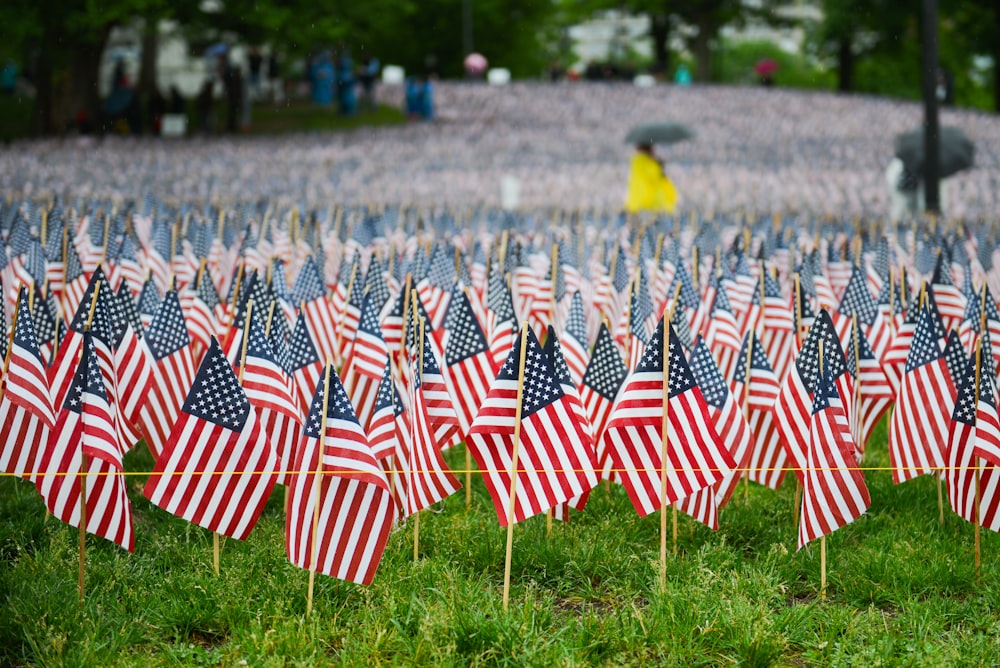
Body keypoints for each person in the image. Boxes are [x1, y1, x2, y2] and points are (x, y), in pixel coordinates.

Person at [625, 143, 678, 213]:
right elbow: (657, 183)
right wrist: (659, 166)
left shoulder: (636, 162)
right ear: (649, 149)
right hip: (650, 205)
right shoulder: (649, 164)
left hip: (636, 205)